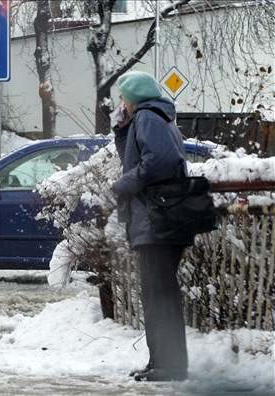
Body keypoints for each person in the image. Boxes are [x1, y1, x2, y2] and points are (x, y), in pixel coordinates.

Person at [110, 71, 191, 382]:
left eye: (123, 98)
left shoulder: (148, 116)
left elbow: (159, 162)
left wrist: (125, 185)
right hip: (159, 218)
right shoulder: (152, 117)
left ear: (133, 98)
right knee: (159, 295)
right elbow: (134, 160)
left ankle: (169, 366)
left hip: (158, 218)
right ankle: (162, 362)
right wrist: (121, 129)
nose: (121, 103)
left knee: (160, 296)